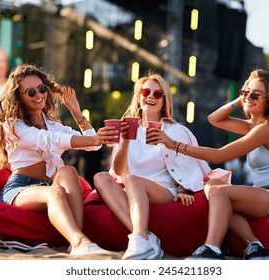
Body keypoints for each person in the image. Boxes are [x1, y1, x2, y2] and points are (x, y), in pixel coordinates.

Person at [155, 69, 269, 260]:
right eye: (246, 92)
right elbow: (214, 119)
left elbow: (219, 156)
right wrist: (239, 100)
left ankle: (212, 248)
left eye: (256, 95)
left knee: (219, 192)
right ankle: (255, 246)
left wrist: (173, 144)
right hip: (265, 193)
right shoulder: (254, 126)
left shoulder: (268, 129)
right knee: (212, 185)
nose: (249, 97)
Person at [93, 72, 230, 260]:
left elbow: (190, 168)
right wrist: (124, 142)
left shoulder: (177, 131)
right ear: (139, 96)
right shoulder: (127, 127)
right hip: (131, 188)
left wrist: (183, 189)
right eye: (146, 91)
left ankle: (140, 238)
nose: (150, 96)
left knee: (134, 180)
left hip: (162, 190)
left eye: (157, 94)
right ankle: (146, 238)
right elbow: (118, 172)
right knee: (100, 177)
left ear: (165, 101)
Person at [0, 64, 118, 256]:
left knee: (68, 171)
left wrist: (76, 111)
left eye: (42, 89)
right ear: (18, 97)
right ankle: (79, 242)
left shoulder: (51, 123)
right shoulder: (13, 125)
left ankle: (77, 240)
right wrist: (93, 138)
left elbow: (93, 146)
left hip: (48, 184)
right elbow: (48, 140)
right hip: (20, 188)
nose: (39, 95)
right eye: (31, 92)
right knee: (56, 192)